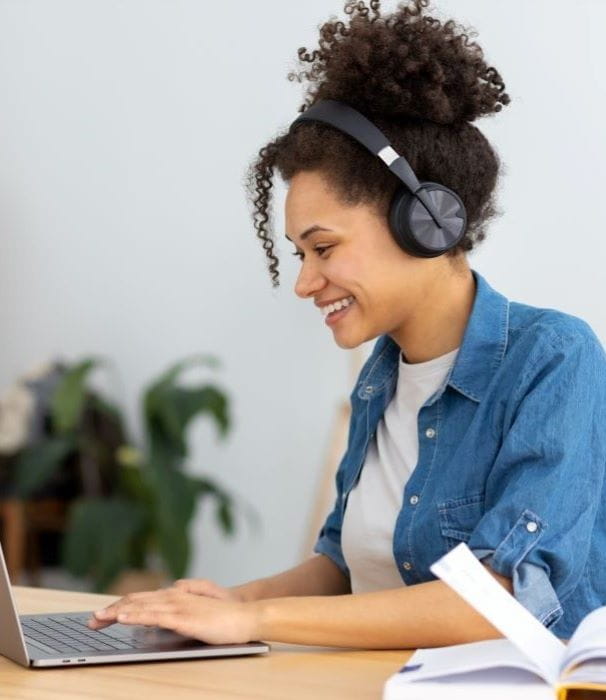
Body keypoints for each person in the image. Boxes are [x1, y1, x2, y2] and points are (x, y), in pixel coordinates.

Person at [89, 0, 606, 647]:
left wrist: (255, 619)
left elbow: (499, 603)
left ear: (426, 221)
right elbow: (342, 567)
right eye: (299, 255)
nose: (304, 282)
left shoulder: (554, 360)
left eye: (323, 248)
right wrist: (220, 602)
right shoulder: (379, 382)